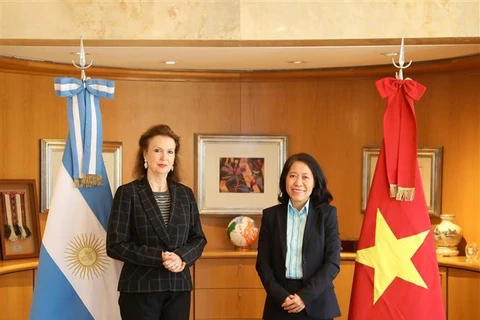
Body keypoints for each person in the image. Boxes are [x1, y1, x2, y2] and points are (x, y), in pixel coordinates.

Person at [107, 124, 207, 320]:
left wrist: (180, 257)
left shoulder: (186, 195)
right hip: (140, 288)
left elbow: (198, 239)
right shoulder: (128, 193)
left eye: (170, 152)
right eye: (157, 150)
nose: (164, 157)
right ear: (145, 154)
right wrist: (159, 257)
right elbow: (115, 245)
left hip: (179, 286)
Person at [256, 153, 341, 320]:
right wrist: (280, 296)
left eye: (305, 177)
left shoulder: (327, 215)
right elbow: (263, 263)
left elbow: (332, 263)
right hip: (280, 302)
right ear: (285, 180)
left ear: (315, 182)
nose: (298, 183)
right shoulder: (271, 216)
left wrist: (304, 296)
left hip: (317, 302)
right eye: (293, 176)